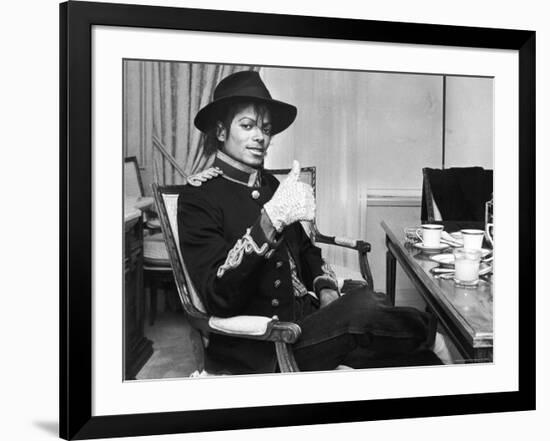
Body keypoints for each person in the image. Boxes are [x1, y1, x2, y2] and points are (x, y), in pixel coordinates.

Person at [178, 70, 452, 374]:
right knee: (365, 306)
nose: (260, 137)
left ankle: (432, 353)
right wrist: (268, 222)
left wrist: (325, 290)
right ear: (220, 131)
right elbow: (218, 296)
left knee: (417, 360)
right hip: (267, 345)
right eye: (247, 126)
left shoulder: (271, 186)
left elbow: (307, 251)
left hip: (309, 324)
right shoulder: (198, 197)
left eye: (266, 129)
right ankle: (433, 335)